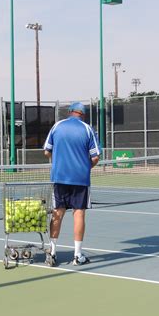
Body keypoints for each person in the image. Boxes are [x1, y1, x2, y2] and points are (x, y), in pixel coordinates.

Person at [43, 102, 100, 266]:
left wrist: (58, 162)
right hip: (80, 179)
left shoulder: (57, 126)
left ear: (70, 112)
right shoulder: (88, 129)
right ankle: (77, 255)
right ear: (83, 114)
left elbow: (47, 151)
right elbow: (95, 157)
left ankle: (52, 253)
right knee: (79, 214)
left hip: (59, 177)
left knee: (57, 213)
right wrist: (83, 168)